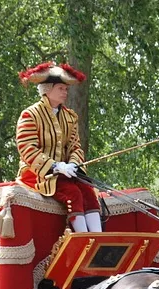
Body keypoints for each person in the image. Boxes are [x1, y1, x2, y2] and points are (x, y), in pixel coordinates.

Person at [16, 61, 102, 234]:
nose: (65, 92)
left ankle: (98, 239)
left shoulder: (70, 117)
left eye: (66, 89)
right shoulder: (30, 115)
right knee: (73, 193)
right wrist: (55, 166)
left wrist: (74, 165)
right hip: (36, 173)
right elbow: (27, 149)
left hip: (66, 172)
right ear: (48, 89)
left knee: (88, 191)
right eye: (61, 88)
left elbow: (75, 147)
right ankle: (84, 239)